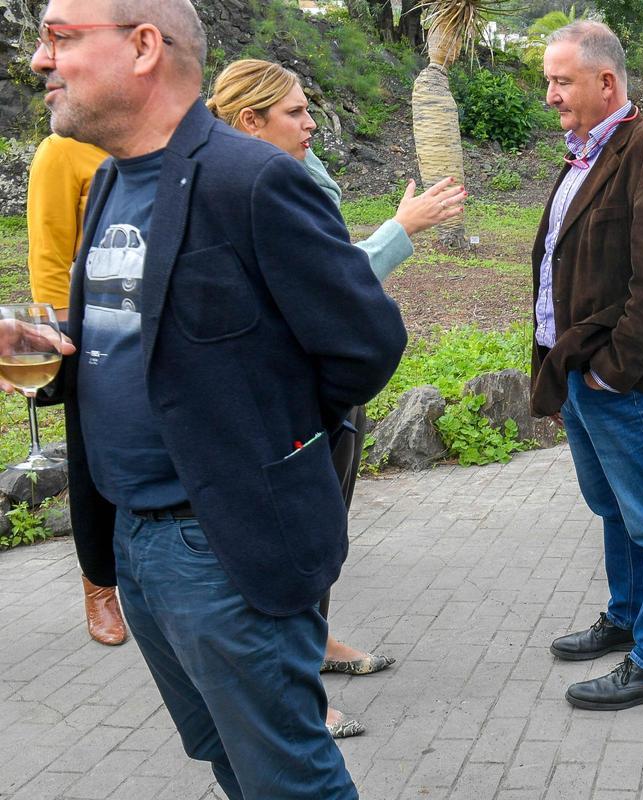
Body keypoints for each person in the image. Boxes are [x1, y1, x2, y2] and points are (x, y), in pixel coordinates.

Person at [30, 1, 406, 797]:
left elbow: (365, 344)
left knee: (290, 778)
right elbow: (136, 338)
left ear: (142, 47)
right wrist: (49, 353)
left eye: (60, 36)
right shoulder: (105, 185)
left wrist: (272, 450)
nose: (40, 58)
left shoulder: (255, 178)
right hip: (131, 540)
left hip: (224, 548)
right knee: (229, 761)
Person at [206, 57, 464, 739]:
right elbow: (336, 281)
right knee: (287, 547)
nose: (312, 121)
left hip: (322, 389)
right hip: (291, 399)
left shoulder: (295, 175)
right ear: (248, 121)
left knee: (319, 533)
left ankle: (313, 650)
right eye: (294, 112)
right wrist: (404, 228)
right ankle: (292, 700)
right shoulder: (243, 189)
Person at [531, 20, 643, 710]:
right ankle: (626, 616)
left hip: (617, 381)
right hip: (575, 372)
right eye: (548, 81)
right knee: (613, 508)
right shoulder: (582, 154)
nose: (549, 96)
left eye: (560, 81)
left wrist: (613, 371)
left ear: (606, 83)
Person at [26, 132, 128, 646]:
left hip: (149, 325)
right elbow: (47, 256)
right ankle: (100, 586)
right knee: (91, 463)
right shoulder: (61, 150)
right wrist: (64, 335)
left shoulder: (147, 143)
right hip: (88, 331)